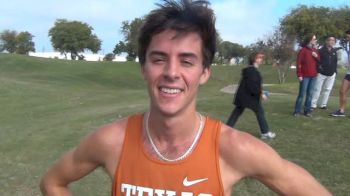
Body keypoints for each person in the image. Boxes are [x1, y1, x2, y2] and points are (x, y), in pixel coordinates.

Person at [40, 0, 331, 195]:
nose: (171, 72)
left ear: (204, 72)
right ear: (144, 68)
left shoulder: (233, 148)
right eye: (159, 59)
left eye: (187, 61)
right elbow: (53, 182)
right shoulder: (111, 141)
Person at [226, 52, 276, 139]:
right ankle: (265, 133)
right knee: (259, 111)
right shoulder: (252, 71)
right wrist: (261, 94)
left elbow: (254, 85)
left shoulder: (251, 70)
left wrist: (261, 91)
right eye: (259, 58)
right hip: (248, 97)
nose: (261, 59)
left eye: (261, 58)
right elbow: (252, 86)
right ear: (254, 59)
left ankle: (225, 130)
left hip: (244, 97)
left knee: (237, 112)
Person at [293, 34, 320, 117]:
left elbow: (319, 61)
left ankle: (307, 111)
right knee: (302, 94)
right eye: (314, 39)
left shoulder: (315, 50)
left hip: (313, 76)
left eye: (315, 39)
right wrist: (299, 74)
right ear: (310, 40)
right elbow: (298, 63)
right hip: (304, 76)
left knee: (310, 94)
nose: (315, 41)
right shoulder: (303, 50)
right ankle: (297, 111)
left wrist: (316, 57)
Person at [311, 35, 338, 110]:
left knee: (327, 89)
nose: (332, 42)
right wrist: (318, 70)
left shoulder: (334, 51)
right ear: (327, 41)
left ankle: (323, 104)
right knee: (317, 89)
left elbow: (335, 62)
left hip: (331, 74)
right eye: (330, 40)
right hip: (321, 73)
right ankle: (313, 104)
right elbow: (317, 61)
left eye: (333, 40)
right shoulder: (321, 50)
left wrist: (335, 72)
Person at [331, 29, 350, 117]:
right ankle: (341, 111)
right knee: (342, 91)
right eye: (346, 37)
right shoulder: (347, 45)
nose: (347, 38)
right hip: (349, 72)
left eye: (348, 37)